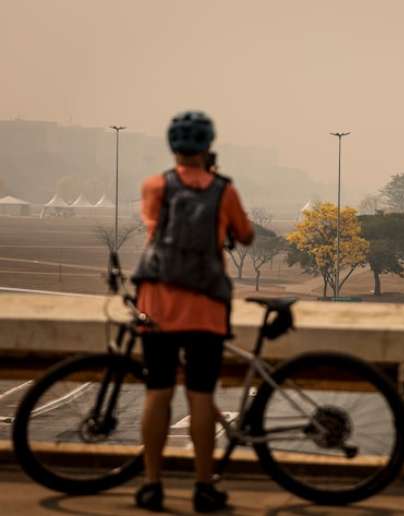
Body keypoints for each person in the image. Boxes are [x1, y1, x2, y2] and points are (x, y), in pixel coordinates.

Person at [131, 111, 254, 513]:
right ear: (207, 148)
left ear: (174, 148)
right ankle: (204, 487)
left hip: (158, 304)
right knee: (200, 398)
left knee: (157, 394)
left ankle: (152, 485)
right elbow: (246, 235)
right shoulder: (224, 190)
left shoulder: (156, 186)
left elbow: (154, 230)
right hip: (205, 308)